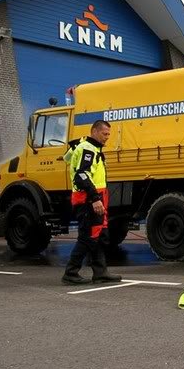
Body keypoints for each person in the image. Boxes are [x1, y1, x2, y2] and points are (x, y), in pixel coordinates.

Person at [62, 120, 122, 285]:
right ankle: (70, 272)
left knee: (100, 236)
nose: (107, 138)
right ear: (94, 132)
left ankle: (100, 272)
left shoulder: (91, 148)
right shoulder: (87, 149)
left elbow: (68, 160)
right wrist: (95, 199)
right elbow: (81, 175)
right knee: (88, 237)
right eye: (105, 134)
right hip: (88, 200)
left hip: (96, 197)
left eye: (109, 134)